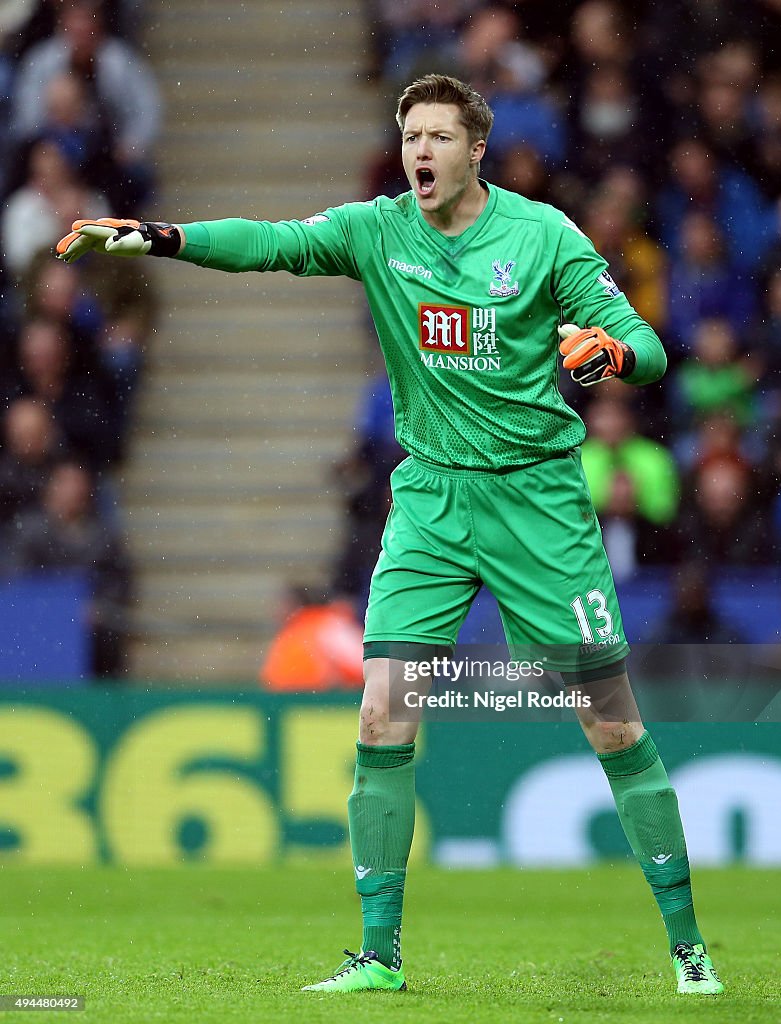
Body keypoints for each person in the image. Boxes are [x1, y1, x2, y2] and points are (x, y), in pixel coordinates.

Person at [53, 73, 723, 997]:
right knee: (379, 711)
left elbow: (644, 344)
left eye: (440, 137)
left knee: (609, 724)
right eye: (411, 135)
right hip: (431, 504)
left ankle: (689, 950)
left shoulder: (540, 237)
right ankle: (378, 955)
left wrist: (609, 353)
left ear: (475, 148)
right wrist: (162, 236)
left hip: (537, 504)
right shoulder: (378, 231)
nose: (420, 151)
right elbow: (273, 244)